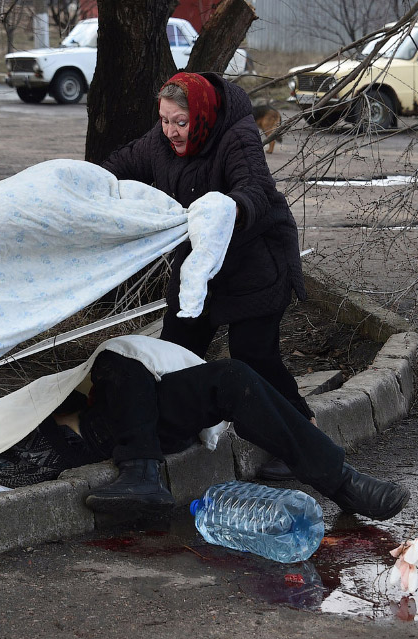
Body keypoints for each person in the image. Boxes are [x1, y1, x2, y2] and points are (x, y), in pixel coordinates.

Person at [0, 335, 409, 523]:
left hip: (144, 421)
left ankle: (343, 484)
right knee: (118, 365)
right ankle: (140, 473)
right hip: (99, 437)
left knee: (224, 375)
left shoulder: (121, 377)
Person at [100, 72, 310, 480]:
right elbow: (117, 168)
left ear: (203, 114)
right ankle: (169, 433)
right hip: (200, 267)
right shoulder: (160, 140)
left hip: (256, 261)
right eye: (164, 120)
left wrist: (226, 210)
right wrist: (87, 186)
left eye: (181, 122)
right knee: (176, 349)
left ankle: (304, 440)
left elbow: (255, 191)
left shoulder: (238, 135)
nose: (171, 131)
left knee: (255, 356)